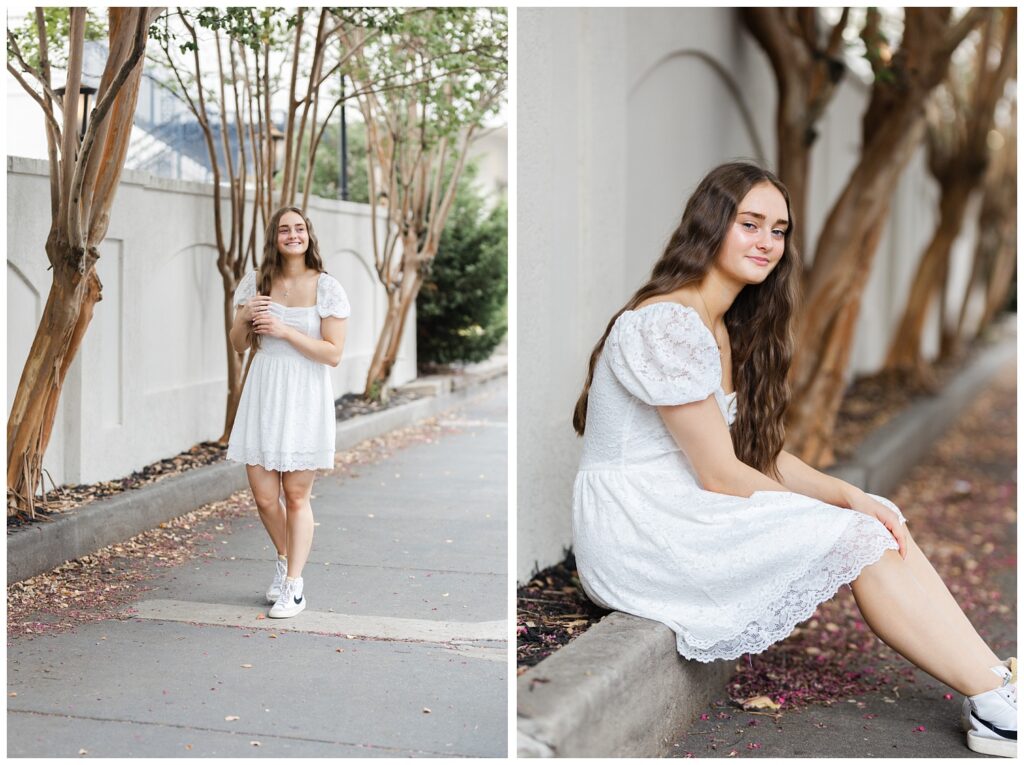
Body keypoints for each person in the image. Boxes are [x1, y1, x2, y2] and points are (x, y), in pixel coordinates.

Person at [570, 161, 1015, 757]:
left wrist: (851, 495)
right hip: (641, 530)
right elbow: (719, 473)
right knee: (857, 535)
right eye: (749, 223)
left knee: (874, 516)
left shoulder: (721, 324)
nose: (767, 242)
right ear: (710, 226)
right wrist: (831, 521)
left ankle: (997, 684)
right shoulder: (668, 324)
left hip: (679, 509)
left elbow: (760, 455)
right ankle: (996, 709)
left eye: (778, 230)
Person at [227, 206, 350, 619]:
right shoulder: (256, 281)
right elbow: (239, 345)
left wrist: (286, 331)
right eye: (284, 229)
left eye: (299, 228)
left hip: (304, 395)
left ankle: (294, 587)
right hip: (264, 391)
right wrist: (244, 317)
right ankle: (284, 560)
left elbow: (333, 354)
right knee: (264, 496)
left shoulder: (327, 287)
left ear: (309, 236)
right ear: (274, 238)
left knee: (295, 496)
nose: (292, 235)